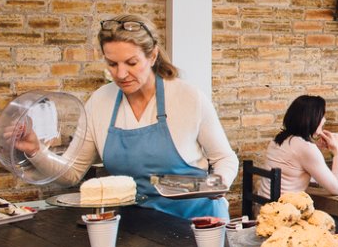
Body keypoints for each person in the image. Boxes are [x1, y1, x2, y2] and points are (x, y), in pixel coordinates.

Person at [18, 14, 238, 220]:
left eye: (131, 63)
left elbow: (225, 158)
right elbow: (71, 174)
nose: (121, 74)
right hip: (137, 225)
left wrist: (218, 184)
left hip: (200, 222)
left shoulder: (188, 98)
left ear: (152, 56)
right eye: (112, 64)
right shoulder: (99, 102)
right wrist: (36, 150)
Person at [259, 95, 338, 200]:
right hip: (283, 213)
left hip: (265, 208)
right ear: (311, 118)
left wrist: (316, 148)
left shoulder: (279, 139)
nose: (324, 120)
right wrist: (336, 152)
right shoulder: (306, 148)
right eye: (322, 116)